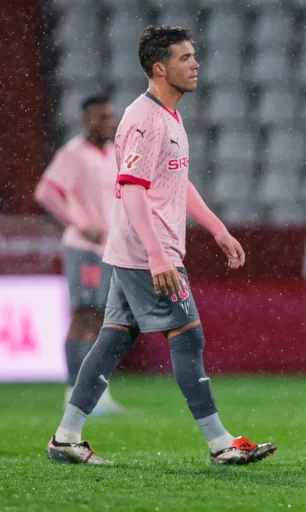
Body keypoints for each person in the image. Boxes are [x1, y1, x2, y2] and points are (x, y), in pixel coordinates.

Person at [46, 26, 276, 465]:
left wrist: (217, 228)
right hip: (146, 250)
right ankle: (219, 442)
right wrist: (156, 254)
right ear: (159, 67)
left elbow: (175, 182)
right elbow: (132, 189)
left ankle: (66, 436)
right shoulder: (144, 119)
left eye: (194, 56)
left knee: (112, 341)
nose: (196, 64)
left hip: (136, 249)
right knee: (189, 337)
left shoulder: (169, 116)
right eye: (186, 57)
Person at [34, 95, 124, 414]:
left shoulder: (114, 153)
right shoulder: (73, 153)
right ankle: (74, 393)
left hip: (111, 249)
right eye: (101, 117)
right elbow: (45, 191)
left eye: (110, 117)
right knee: (84, 315)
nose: (108, 123)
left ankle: (98, 394)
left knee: (103, 319)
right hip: (84, 249)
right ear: (86, 120)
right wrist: (79, 223)